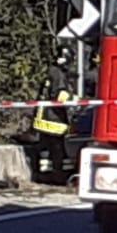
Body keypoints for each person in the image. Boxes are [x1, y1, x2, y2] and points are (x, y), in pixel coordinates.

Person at [33, 48, 76, 178]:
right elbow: (60, 95)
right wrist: (74, 99)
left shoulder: (51, 71)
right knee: (57, 149)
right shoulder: (58, 75)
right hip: (53, 118)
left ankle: (43, 173)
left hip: (44, 115)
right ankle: (56, 176)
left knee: (46, 148)